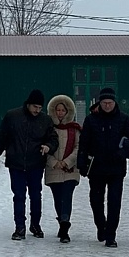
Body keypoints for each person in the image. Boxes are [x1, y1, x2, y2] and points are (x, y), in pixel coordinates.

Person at [0, 88, 58, 240]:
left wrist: (48, 147)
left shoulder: (45, 120)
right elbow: (1, 138)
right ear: (28, 104)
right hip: (16, 163)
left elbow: (53, 139)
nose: (37, 110)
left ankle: (35, 225)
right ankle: (20, 227)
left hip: (36, 163)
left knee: (35, 195)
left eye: (40, 108)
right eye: (35, 107)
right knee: (19, 196)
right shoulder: (13, 117)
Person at [76, 86, 129, 247]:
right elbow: (83, 143)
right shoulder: (91, 120)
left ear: (114, 102)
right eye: (104, 103)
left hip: (116, 168)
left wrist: (122, 152)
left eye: (110, 102)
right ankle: (100, 224)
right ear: (99, 103)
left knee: (114, 201)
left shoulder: (123, 119)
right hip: (96, 167)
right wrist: (81, 162)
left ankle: (111, 235)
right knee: (96, 200)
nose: (107, 106)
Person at [44, 94, 80, 243]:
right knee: (58, 198)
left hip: (70, 170)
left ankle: (65, 223)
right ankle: (61, 222)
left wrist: (67, 162)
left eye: (62, 110)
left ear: (68, 111)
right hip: (53, 169)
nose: (60, 113)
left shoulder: (75, 129)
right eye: (57, 110)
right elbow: (43, 148)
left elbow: (78, 147)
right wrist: (53, 162)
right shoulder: (47, 128)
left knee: (67, 196)